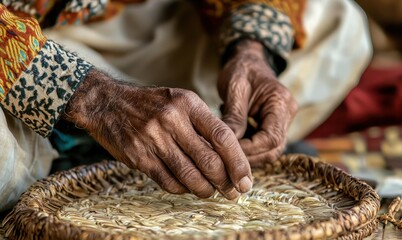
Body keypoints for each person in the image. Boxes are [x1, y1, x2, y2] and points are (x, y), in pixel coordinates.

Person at [0, 0, 371, 211]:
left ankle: (142, 147)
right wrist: (94, 98)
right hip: (11, 48)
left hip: (112, 24)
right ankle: (76, 145)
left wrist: (250, 50)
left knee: (338, 24)